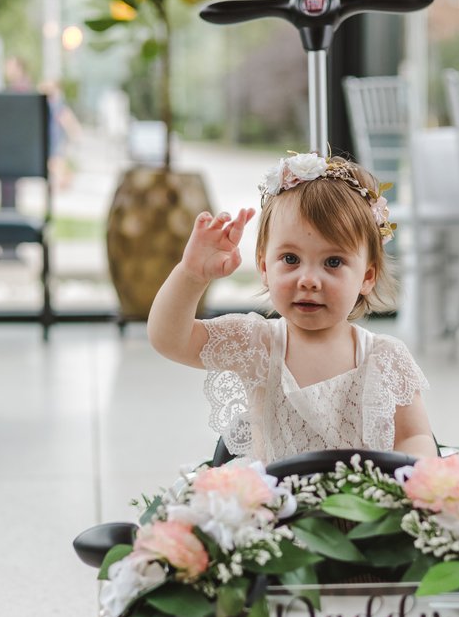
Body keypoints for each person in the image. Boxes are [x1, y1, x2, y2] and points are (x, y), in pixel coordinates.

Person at [147, 151, 436, 462]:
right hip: (276, 505)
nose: (309, 280)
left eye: (333, 262)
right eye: (291, 259)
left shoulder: (386, 358)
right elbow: (169, 339)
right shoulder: (256, 344)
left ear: (367, 277)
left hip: (363, 506)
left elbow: (414, 436)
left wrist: (418, 476)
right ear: (264, 267)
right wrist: (191, 276)